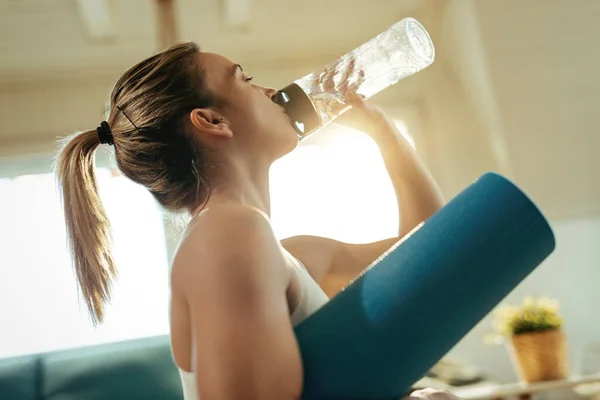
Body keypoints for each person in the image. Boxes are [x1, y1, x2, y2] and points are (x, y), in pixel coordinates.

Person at [55, 42, 458, 400]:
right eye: (245, 80)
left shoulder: (278, 251)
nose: (272, 92)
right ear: (212, 121)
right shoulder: (228, 235)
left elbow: (432, 252)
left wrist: (379, 129)